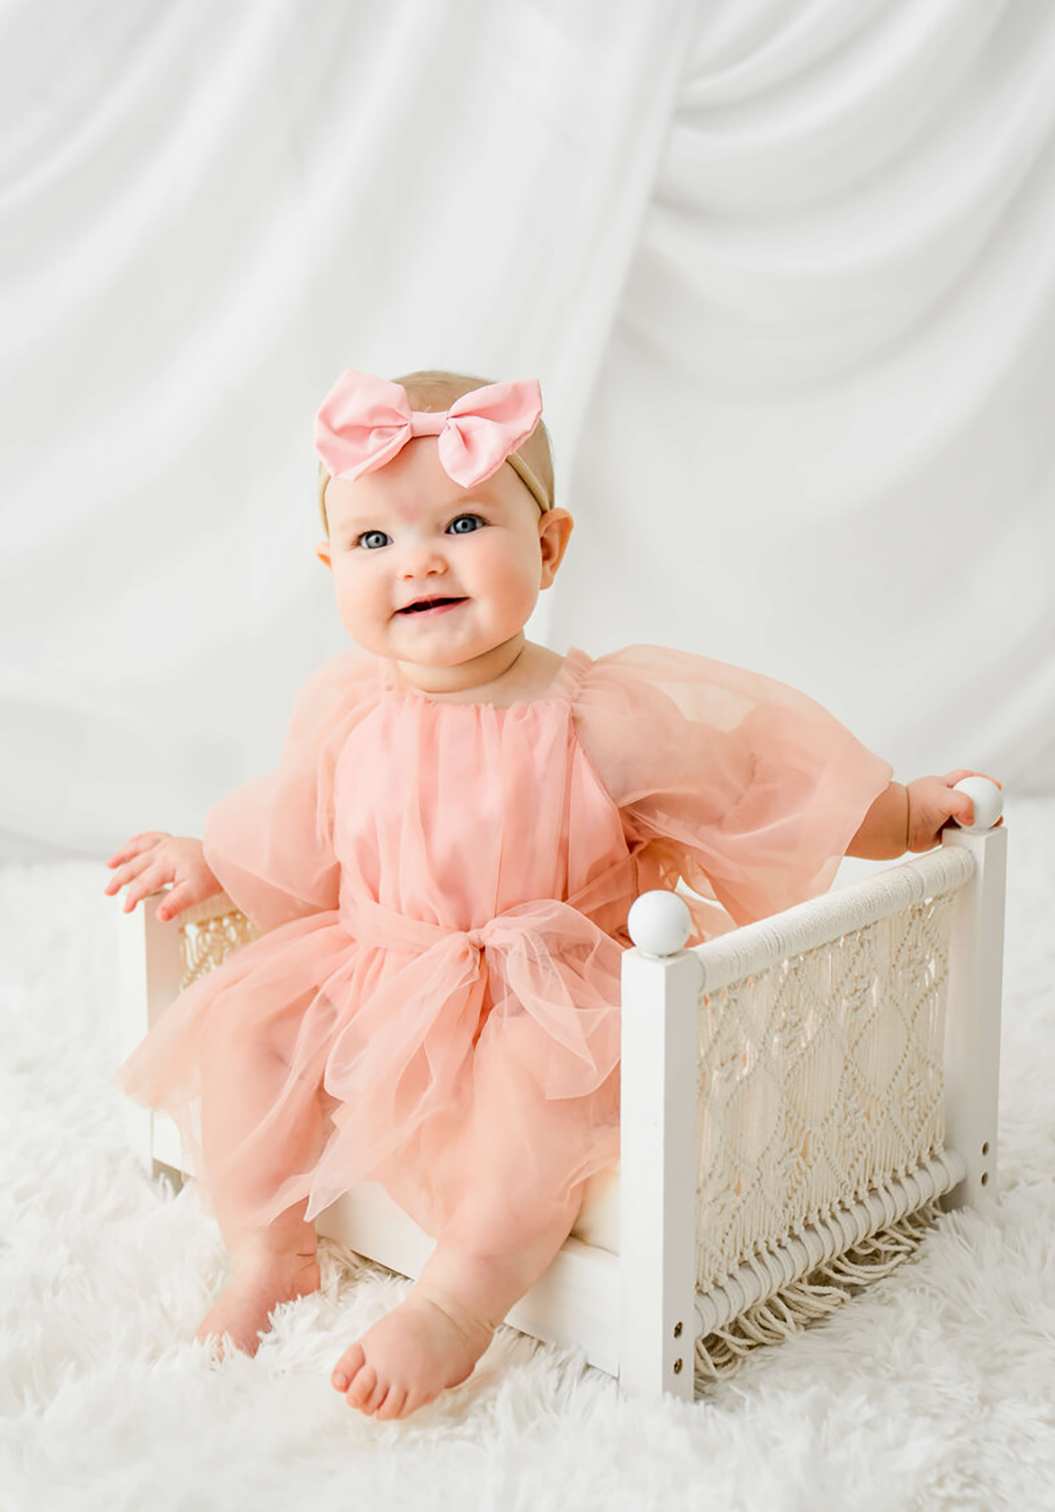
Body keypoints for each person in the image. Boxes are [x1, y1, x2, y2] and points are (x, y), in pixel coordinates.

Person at [106, 366, 996, 1423]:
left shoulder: (595, 719)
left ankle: (456, 1300)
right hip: (381, 961)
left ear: (550, 546)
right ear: (331, 565)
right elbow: (300, 829)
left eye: (465, 520)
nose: (420, 560)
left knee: (535, 1108)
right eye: (375, 541)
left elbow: (747, 785)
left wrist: (894, 816)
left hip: (545, 992)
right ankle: (267, 1248)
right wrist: (215, 858)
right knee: (248, 1034)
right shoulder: (350, 708)